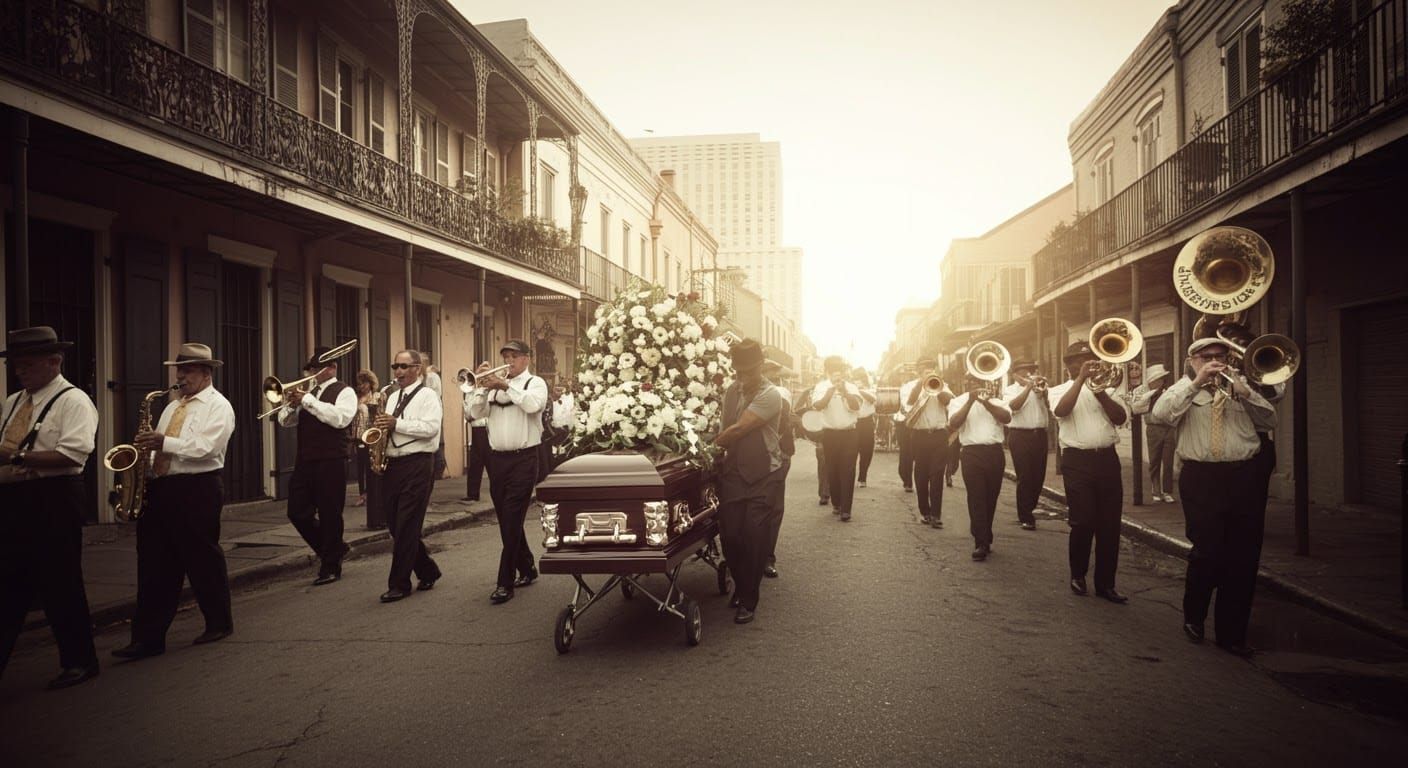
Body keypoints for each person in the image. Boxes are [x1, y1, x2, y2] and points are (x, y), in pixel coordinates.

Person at [1150, 338, 1278, 656]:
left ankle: (1232, 634)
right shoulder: (1183, 389)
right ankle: (1194, 617)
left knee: (1244, 557)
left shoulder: (1244, 386)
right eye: (1206, 357)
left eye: (1220, 356)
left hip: (1244, 476)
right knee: (1207, 551)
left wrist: (1245, 392)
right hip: (1201, 477)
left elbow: (1270, 421)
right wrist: (1197, 382)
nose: (1214, 361)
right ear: (1192, 360)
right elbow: (1161, 415)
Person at [112, 343, 236, 660]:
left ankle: (218, 623)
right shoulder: (171, 406)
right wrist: (145, 457)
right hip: (163, 487)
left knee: (202, 558)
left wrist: (163, 441)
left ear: (206, 373)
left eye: (188, 370)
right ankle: (148, 638)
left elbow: (206, 447)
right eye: (179, 370)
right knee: (153, 563)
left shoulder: (218, 406)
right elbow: (162, 446)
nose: (180, 376)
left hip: (198, 487)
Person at [0, 326, 100, 689]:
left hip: (55, 497)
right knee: (8, 584)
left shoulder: (74, 401)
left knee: (61, 583)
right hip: (15, 499)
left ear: (54, 361)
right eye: (17, 365)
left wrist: (16, 455)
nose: (20, 372)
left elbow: (73, 454)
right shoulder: (13, 401)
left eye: (27, 365)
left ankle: (80, 661)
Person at [466, 340, 548, 605]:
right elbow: (473, 414)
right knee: (506, 519)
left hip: (524, 459)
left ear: (526, 359)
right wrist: (479, 388)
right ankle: (527, 567)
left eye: (514, 356)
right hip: (497, 460)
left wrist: (505, 385)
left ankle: (505, 581)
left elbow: (533, 406)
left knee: (512, 516)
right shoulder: (493, 387)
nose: (509, 361)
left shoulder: (534, 383)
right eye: (505, 356)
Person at [1049, 340, 1129, 604]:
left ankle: (1106, 584)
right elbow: (1061, 411)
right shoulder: (1059, 390)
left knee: (1109, 525)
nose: (1084, 364)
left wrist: (1100, 392)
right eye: (1077, 361)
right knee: (1083, 521)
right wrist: (1081, 379)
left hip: (1107, 459)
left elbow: (1120, 418)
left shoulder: (1107, 387)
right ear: (1068, 365)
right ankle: (1078, 574)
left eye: (1089, 360)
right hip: (1076, 461)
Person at [713, 339, 785, 624]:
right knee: (731, 536)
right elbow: (723, 423)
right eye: (738, 372)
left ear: (760, 367)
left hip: (763, 474)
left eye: (747, 371)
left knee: (754, 537)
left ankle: (748, 598)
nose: (742, 377)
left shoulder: (771, 394)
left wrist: (710, 446)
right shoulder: (730, 391)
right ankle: (742, 587)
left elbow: (739, 428)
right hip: (733, 474)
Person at [277, 347, 356, 586]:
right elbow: (284, 421)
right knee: (297, 511)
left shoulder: (345, 391)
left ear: (332, 368)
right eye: (310, 368)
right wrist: (291, 405)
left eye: (316, 368)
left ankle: (330, 566)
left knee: (330, 512)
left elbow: (339, 419)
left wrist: (308, 400)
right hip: (306, 459)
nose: (312, 373)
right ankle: (335, 549)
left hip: (332, 459)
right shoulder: (307, 394)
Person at [375, 350, 443, 603]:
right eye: (395, 366)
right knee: (395, 525)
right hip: (393, 464)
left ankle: (399, 584)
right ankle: (428, 570)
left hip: (418, 464)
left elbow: (431, 429)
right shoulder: (392, 397)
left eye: (404, 367)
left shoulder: (428, 396)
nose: (398, 372)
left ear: (418, 368)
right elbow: (388, 424)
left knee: (406, 524)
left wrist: (397, 424)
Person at [947, 375, 1012, 560]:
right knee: (976, 497)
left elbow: (1006, 418)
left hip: (994, 453)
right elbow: (954, 423)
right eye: (972, 382)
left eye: (979, 382)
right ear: (966, 384)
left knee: (990, 497)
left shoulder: (998, 401)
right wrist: (970, 401)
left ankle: (984, 534)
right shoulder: (958, 401)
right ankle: (981, 542)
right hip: (971, 453)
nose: (975, 385)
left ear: (986, 383)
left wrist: (986, 403)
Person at [902, 356, 954, 528]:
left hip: (939, 434)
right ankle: (925, 510)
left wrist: (936, 388)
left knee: (937, 474)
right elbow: (908, 405)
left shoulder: (941, 384)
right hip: (919, 435)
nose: (929, 372)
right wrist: (921, 384)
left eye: (932, 369)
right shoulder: (909, 386)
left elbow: (950, 403)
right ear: (918, 372)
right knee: (921, 475)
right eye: (925, 370)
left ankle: (936, 514)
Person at [808, 356, 861, 522]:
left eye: (840, 370)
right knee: (832, 470)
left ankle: (846, 509)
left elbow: (856, 406)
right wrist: (831, 391)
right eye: (833, 371)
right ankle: (837, 502)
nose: (837, 374)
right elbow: (817, 406)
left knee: (848, 470)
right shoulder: (821, 387)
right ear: (827, 372)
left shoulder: (851, 387)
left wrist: (844, 391)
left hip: (849, 433)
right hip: (830, 433)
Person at [1004, 360, 1050, 530]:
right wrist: (1028, 388)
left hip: (1040, 435)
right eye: (1023, 372)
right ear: (1015, 375)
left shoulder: (1041, 387)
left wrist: (1043, 392)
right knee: (1025, 476)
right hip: (1019, 435)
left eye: (1030, 371)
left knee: (1038, 477)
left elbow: (1052, 406)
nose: (1028, 374)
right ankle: (1026, 516)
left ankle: (1029, 508)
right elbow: (1014, 407)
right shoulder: (1009, 390)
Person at [760, 360, 793, 578]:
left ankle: (767, 557)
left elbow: (784, 425)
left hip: (778, 456)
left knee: (773, 509)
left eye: (774, 375)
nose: (773, 379)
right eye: (770, 374)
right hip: (756, 457)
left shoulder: (780, 395)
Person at [1130, 363, 1176, 503]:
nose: (1160, 381)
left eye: (1162, 378)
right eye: (1158, 379)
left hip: (1169, 428)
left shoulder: (1168, 391)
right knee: (1154, 460)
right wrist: (1152, 394)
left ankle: (1167, 491)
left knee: (1168, 461)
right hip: (1154, 428)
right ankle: (1156, 489)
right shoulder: (1143, 392)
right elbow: (1136, 407)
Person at [351, 369, 380, 509]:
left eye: (364, 383)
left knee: (370, 466)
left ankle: (371, 493)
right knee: (360, 466)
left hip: (370, 436)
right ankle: (362, 494)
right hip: (357, 435)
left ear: (370, 383)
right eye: (359, 383)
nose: (361, 386)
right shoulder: (355, 398)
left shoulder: (376, 397)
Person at [851, 367, 877, 488]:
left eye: (860, 378)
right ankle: (849, 477)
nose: (858, 380)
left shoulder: (870, 389)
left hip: (867, 422)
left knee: (867, 451)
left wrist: (859, 390)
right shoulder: (850, 390)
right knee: (851, 452)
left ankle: (862, 477)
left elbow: (872, 399)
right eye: (856, 378)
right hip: (853, 422)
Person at [423, 355, 447, 480]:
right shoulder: (430, 376)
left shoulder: (431, 376)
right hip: (433, 407)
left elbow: (429, 392)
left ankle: (439, 465)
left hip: (433, 408)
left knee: (434, 436)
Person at [894, 368, 916, 491]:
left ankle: (912, 479)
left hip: (916, 422)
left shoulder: (916, 387)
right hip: (903, 422)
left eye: (907, 375)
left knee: (914, 452)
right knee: (906, 451)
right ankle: (907, 480)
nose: (905, 377)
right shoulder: (901, 389)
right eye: (903, 375)